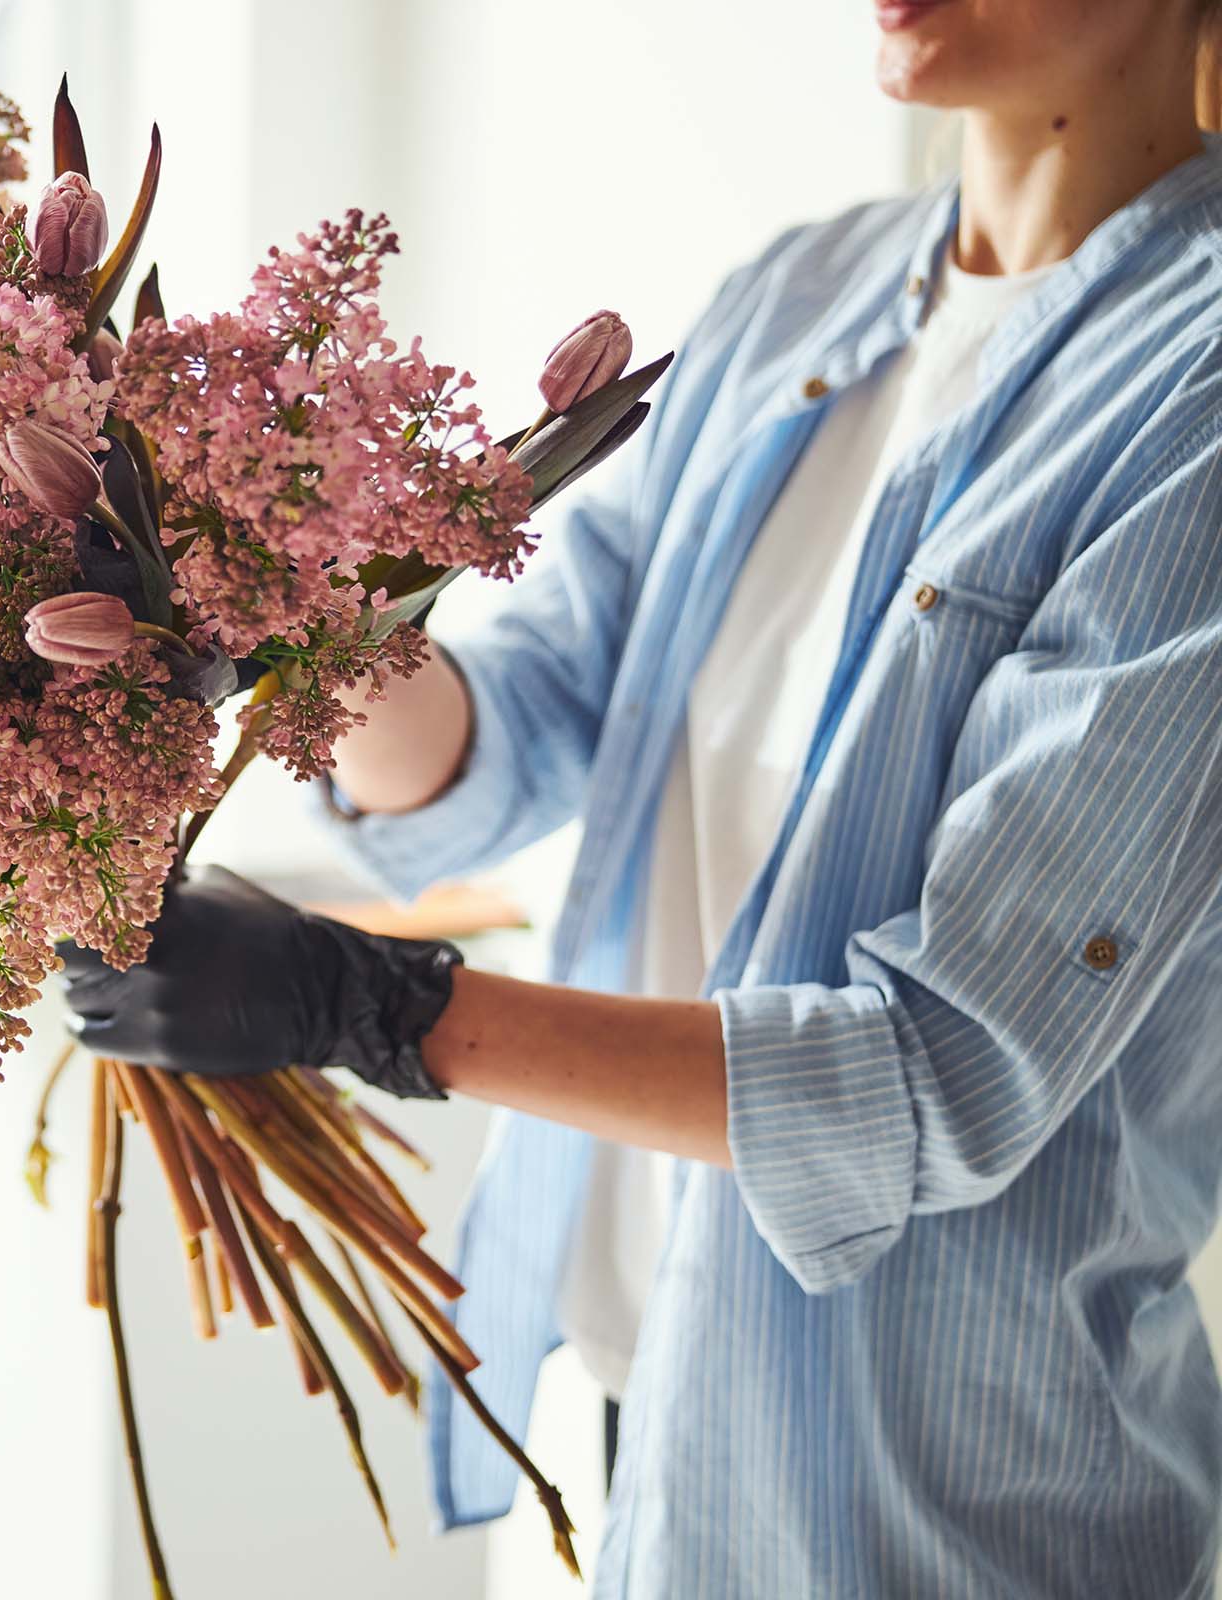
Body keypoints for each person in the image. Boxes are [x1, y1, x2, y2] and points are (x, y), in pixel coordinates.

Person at [59, 2, 1222, 1594]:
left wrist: (373, 1009)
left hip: (938, 1503)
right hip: (655, 1387)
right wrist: (265, 581)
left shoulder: (1197, 398)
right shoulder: (796, 298)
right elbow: (516, 725)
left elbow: (942, 1073)